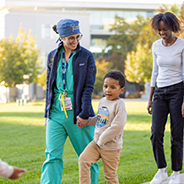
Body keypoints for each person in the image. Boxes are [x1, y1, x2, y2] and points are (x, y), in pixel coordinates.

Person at [40, 19, 99, 184]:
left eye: (77, 36)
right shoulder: (52, 56)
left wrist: (85, 114)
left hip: (79, 111)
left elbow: (88, 87)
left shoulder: (86, 56)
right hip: (56, 112)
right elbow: (49, 86)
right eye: (70, 38)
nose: (75, 41)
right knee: (52, 156)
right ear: (61, 37)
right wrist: (47, 114)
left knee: (87, 156)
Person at [147, 12, 184, 184]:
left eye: (166, 29)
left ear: (173, 27)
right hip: (160, 93)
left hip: (178, 91)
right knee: (156, 133)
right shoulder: (156, 46)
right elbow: (154, 72)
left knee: (176, 134)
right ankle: (161, 170)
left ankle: (176, 172)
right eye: (160, 30)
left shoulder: (182, 45)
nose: (163, 33)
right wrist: (150, 98)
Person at [77, 70, 127, 184]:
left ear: (121, 90)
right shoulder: (103, 101)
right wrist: (87, 121)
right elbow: (101, 119)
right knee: (83, 160)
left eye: (112, 87)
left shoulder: (119, 105)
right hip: (97, 143)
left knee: (110, 176)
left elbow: (117, 126)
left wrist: (102, 139)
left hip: (111, 147)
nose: (108, 90)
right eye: (106, 86)